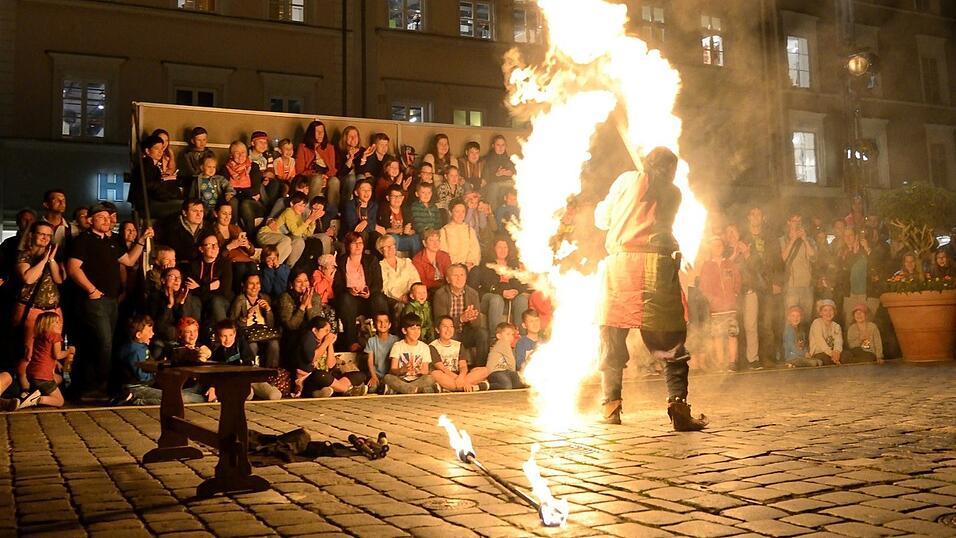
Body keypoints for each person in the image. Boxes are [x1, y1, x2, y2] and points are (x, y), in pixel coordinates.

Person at [593, 147, 707, 430]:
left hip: (622, 268)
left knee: (612, 338)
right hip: (658, 268)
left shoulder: (626, 180)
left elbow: (602, 219)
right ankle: (678, 406)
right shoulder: (675, 192)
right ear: (671, 171)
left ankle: (611, 406)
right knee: (670, 343)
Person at [67, 204, 153, 398]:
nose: (107, 220)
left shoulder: (113, 240)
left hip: (111, 301)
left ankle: (92, 386)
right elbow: (73, 267)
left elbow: (129, 261)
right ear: (90, 220)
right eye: (101, 217)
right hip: (94, 301)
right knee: (103, 342)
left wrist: (141, 240)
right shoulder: (83, 240)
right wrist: (91, 289)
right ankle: (101, 386)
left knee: (105, 343)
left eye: (109, 217)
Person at [13, 222, 64, 366]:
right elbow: (28, 278)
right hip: (31, 308)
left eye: (49, 235)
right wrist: (43, 260)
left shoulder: (54, 256)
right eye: (41, 234)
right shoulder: (24, 255)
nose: (45, 238)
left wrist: (51, 259)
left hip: (53, 310)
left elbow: (59, 279)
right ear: (32, 235)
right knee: (28, 353)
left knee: (51, 353)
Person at [334, 232, 389, 351]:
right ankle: (352, 342)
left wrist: (369, 291)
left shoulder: (371, 260)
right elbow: (337, 286)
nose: (358, 246)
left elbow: (378, 283)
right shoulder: (341, 262)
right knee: (346, 299)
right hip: (351, 301)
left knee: (379, 298)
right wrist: (349, 290)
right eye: (354, 243)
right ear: (348, 246)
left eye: (360, 243)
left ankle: (383, 337)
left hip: (369, 298)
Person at [293, 317, 368, 398]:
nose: (328, 334)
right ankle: (347, 390)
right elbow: (311, 358)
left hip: (328, 378)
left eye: (329, 331)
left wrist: (330, 344)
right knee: (320, 375)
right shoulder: (308, 338)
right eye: (326, 331)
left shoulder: (325, 341)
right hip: (311, 379)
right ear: (315, 330)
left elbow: (330, 365)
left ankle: (330, 391)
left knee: (360, 375)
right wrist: (326, 342)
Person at [208, 319, 281, 401]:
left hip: (249, 377)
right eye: (224, 336)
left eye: (231, 335)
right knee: (247, 394)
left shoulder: (241, 343)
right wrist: (213, 387)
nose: (228, 339)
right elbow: (216, 373)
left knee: (274, 395)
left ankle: (258, 393)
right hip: (234, 381)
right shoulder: (217, 351)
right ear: (218, 336)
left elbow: (249, 361)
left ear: (235, 334)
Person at [699, 236, 741, 372]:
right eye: (714, 245)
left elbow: (737, 279)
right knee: (717, 336)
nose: (717, 248)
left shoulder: (729, 263)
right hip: (716, 309)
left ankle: (732, 363)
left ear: (723, 248)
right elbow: (703, 287)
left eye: (719, 245)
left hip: (730, 307)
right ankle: (721, 363)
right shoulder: (707, 266)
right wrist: (711, 299)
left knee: (732, 334)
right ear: (710, 248)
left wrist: (734, 293)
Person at [469, 237, 529, 333]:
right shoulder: (487, 264)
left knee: (522, 299)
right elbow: (487, 284)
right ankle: (495, 336)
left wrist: (516, 291)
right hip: (490, 297)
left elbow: (522, 283)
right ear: (494, 248)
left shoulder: (514, 264)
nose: (502, 250)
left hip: (510, 298)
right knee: (497, 299)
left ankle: (521, 335)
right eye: (499, 247)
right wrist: (502, 292)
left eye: (505, 247)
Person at [433, 264, 488, 364]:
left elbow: (477, 324)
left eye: (462, 275)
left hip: (466, 332)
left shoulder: (473, 294)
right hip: (449, 332)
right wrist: (461, 319)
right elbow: (440, 322)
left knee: (482, 333)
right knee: (448, 334)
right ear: (448, 279)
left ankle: (480, 367)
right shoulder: (440, 294)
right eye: (455, 275)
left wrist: (471, 317)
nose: (459, 278)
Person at [15, 312, 73, 409]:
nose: (60, 324)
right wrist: (69, 351)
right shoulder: (55, 336)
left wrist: (56, 363)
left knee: (59, 378)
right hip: (43, 375)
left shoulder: (39, 336)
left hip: (31, 373)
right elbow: (58, 355)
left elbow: (43, 353)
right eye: (56, 322)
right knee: (59, 401)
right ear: (47, 324)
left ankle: (30, 394)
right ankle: (37, 399)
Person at [146, 266, 201, 359]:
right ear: (163, 280)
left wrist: (181, 304)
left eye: (179, 278)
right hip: (161, 339)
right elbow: (158, 326)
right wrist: (169, 306)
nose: (177, 280)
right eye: (172, 276)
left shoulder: (186, 297)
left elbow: (186, 324)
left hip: (182, 341)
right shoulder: (154, 298)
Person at [277, 269, 330, 362]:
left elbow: (316, 323)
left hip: (311, 335)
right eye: (299, 281)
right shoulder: (285, 297)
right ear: (291, 284)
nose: (303, 284)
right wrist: (302, 306)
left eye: (306, 281)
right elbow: (291, 325)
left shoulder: (315, 297)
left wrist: (309, 305)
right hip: (292, 336)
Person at [229, 273, 280, 370]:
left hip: (264, 332)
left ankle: (271, 372)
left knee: (274, 344)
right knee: (252, 346)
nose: (254, 287)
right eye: (251, 283)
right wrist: (245, 318)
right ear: (244, 285)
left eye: (257, 283)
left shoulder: (265, 298)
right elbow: (232, 322)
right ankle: (250, 371)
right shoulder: (240, 300)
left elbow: (271, 324)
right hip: (247, 333)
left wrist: (268, 310)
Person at [185, 233, 233, 332]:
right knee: (193, 300)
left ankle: (224, 333)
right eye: (209, 245)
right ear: (201, 249)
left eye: (216, 244)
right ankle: (194, 334)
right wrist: (209, 287)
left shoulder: (225, 264)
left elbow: (224, 291)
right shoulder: (194, 265)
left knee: (216, 301)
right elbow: (191, 290)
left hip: (220, 301)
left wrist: (199, 287)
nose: (214, 248)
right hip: (200, 300)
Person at [129, 134, 183, 219]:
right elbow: (149, 185)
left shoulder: (150, 165)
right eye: (156, 149)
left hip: (149, 202)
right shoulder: (146, 165)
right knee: (185, 207)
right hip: (146, 205)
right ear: (147, 151)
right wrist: (164, 182)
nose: (160, 152)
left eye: (162, 149)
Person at [430, 315, 490, 392]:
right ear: (437, 330)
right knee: (435, 374)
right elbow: (443, 369)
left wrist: (461, 377)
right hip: (446, 375)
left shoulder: (458, 344)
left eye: (451, 326)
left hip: (460, 376)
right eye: (445, 327)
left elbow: (463, 366)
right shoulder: (432, 346)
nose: (448, 330)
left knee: (484, 370)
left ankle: (449, 388)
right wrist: (460, 380)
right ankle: (473, 387)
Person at [382, 313, 438, 394]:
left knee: (430, 378)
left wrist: (419, 371)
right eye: (413, 329)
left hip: (418, 379)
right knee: (387, 377)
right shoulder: (397, 345)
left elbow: (425, 370)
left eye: (418, 329)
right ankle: (417, 390)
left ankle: (401, 390)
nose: (416, 332)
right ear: (404, 331)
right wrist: (402, 370)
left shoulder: (424, 347)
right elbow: (392, 369)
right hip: (401, 379)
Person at [837, 227, 880, 328]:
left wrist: (867, 249)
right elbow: (843, 270)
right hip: (850, 294)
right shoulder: (841, 253)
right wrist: (853, 253)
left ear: (856, 236)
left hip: (868, 293)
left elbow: (877, 266)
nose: (848, 238)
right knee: (849, 323)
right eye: (845, 236)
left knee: (868, 324)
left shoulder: (867, 248)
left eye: (850, 235)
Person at [211, 201, 255, 292]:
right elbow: (214, 255)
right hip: (225, 262)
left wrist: (247, 245)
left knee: (252, 265)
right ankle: (237, 293)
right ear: (216, 214)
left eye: (230, 214)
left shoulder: (235, 228)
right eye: (224, 213)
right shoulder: (211, 230)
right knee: (240, 267)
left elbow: (252, 252)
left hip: (242, 258)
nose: (227, 217)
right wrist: (229, 247)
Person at [780, 212, 816, 323]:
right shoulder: (782, 240)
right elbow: (783, 258)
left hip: (807, 286)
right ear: (788, 222)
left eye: (799, 221)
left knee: (806, 319)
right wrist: (793, 239)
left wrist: (804, 239)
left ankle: (803, 335)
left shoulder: (809, 240)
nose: (797, 223)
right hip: (791, 286)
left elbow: (813, 257)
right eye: (794, 221)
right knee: (790, 319)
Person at [295, 120, 340, 209]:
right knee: (317, 179)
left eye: (322, 131)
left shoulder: (329, 147)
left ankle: (332, 210)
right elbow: (300, 170)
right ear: (311, 133)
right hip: (310, 176)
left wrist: (326, 176)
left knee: (334, 181)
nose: (320, 134)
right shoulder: (303, 147)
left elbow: (332, 169)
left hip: (326, 175)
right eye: (317, 131)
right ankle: (310, 208)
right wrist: (316, 174)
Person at [226, 140, 265, 237]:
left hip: (252, 203)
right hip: (237, 200)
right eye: (237, 153)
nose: (241, 155)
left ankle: (250, 237)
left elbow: (255, 190)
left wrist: (236, 192)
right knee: (233, 201)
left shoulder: (254, 167)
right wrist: (245, 193)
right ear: (231, 155)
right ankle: (234, 233)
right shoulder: (225, 168)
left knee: (245, 204)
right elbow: (225, 189)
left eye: (243, 152)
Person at [378, 234, 420, 317]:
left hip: (411, 295)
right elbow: (386, 287)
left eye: (392, 245)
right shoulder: (380, 266)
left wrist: (411, 294)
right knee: (399, 306)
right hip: (393, 298)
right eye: (387, 247)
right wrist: (401, 297)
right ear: (381, 250)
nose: (390, 248)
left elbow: (415, 279)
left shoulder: (406, 262)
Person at [159, 198, 207, 269]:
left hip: (202, 266)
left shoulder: (208, 227)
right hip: (178, 266)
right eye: (194, 211)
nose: (199, 214)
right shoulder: (172, 227)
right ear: (184, 213)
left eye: (201, 211)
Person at [439, 199, 481, 271]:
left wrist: (469, 263)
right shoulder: (444, 231)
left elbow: (475, 250)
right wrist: (455, 266)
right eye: (457, 211)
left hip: (468, 268)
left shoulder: (469, 230)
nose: (460, 215)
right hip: (451, 268)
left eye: (463, 211)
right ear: (450, 212)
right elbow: (443, 251)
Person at [377, 185, 419, 255]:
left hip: (403, 239)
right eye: (394, 196)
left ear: (402, 198)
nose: (397, 199)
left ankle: (416, 260)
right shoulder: (384, 209)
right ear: (388, 198)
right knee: (393, 237)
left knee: (415, 238)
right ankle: (391, 259)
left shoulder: (406, 209)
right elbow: (385, 230)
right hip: (390, 240)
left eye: (399, 196)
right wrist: (402, 230)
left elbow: (413, 229)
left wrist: (409, 231)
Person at [364, 312, 399, 394]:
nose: (383, 324)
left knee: (391, 384)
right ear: (374, 325)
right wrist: (373, 376)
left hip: (391, 375)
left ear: (389, 325)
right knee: (372, 389)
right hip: (377, 374)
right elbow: (370, 361)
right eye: (379, 321)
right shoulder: (371, 341)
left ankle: (386, 387)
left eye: (385, 321)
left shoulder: (396, 340)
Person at [342, 180, 385, 247]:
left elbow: (373, 221)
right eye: (363, 190)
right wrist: (373, 226)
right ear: (356, 193)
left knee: (377, 235)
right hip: (352, 235)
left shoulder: (374, 205)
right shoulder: (350, 205)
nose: (367, 192)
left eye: (369, 190)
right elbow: (355, 228)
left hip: (369, 235)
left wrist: (366, 222)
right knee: (362, 233)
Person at [486, 322, 525, 390]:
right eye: (508, 334)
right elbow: (511, 361)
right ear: (499, 336)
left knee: (520, 383)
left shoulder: (507, 345)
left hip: (505, 371)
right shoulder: (503, 343)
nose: (511, 337)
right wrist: (514, 373)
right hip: (495, 371)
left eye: (512, 334)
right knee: (506, 385)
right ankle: (486, 385)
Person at [481, 135, 516, 209]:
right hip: (492, 186)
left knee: (513, 184)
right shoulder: (487, 160)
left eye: (503, 145)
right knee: (495, 186)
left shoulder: (509, 160)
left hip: (506, 184)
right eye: (498, 145)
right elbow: (485, 181)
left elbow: (515, 174)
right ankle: (493, 213)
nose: (501, 147)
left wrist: (511, 174)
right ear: (493, 146)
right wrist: (497, 175)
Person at [249, 131, 281, 208]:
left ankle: (270, 205)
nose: (263, 145)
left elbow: (270, 171)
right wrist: (262, 175)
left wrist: (267, 178)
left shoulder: (267, 155)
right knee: (259, 185)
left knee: (275, 183)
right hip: (252, 180)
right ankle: (268, 207)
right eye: (260, 142)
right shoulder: (247, 155)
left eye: (265, 143)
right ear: (253, 143)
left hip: (265, 179)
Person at [808, 299, 842, 365]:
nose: (828, 313)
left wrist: (837, 352)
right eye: (825, 310)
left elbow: (838, 341)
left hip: (833, 352)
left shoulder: (836, 326)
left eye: (830, 310)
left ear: (834, 312)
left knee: (845, 356)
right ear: (820, 313)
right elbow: (820, 341)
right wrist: (831, 354)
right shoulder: (816, 322)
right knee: (826, 360)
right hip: (818, 352)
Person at [336, 126, 364, 203]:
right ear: (345, 138)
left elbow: (361, 172)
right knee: (351, 178)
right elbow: (341, 173)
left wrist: (363, 158)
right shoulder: (339, 150)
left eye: (355, 136)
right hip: (343, 178)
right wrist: (350, 158)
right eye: (350, 136)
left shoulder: (362, 151)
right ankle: (345, 204)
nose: (353, 138)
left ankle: (359, 204)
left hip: (356, 178)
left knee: (361, 177)